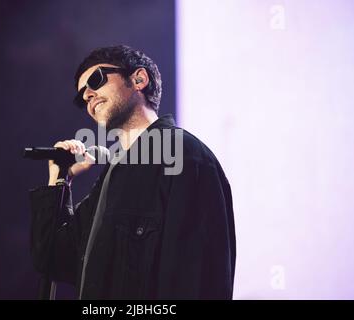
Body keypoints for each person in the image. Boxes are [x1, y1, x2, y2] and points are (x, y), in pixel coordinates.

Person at [29, 45, 236, 299]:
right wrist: (60, 179)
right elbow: (54, 260)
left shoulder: (184, 155)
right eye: (81, 96)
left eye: (96, 80)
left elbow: (197, 278)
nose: (88, 96)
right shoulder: (113, 176)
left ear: (139, 79)